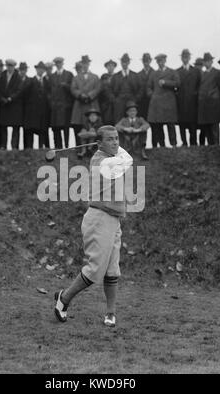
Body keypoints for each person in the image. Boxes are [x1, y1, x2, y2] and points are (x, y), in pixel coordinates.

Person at [54, 125, 133, 328]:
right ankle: (64, 298)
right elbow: (128, 159)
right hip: (99, 218)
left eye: (117, 138)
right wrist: (111, 147)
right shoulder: (103, 161)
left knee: (112, 269)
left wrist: (108, 141)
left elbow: (123, 154)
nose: (115, 142)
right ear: (99, 143)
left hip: (113, 219)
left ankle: (110, 313)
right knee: (95, 269)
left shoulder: (111, 155)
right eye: (110, 139)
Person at [147, 54, 180, 148]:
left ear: (165, 61)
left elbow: (178, 83)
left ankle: (174, 145)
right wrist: (152, 95)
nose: (160, 63)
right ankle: (162, 146)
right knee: (159, 124)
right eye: (158, 61)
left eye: (162, 61)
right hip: (157, 103)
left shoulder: (172, 72)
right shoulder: (153, 74)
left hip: (169, 102)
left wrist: (166, 82)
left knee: (171, 124)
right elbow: (148, 87)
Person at [71, 55, 101, 146]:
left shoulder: (95, 77)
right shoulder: (76, 77)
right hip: (80, 104)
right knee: (79, 126)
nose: (85, 65)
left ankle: (93, 148)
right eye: (83, 63)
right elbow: (73, 88)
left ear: (89, 64)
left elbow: (98, 88)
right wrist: (81, 95)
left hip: (91, 104)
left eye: (86, 63)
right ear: (81, 64)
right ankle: (79, 148)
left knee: (93, 125)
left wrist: (89, 96)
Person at [198, 53, 220, 146]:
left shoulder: (217, 73)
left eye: (208, 61)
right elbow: (201, 88)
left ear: (212, 61)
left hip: (214, 104)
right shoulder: (203, 74)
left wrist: (214, 94)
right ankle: (211, 147)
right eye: (205, 61)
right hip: (204, 104)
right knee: (207, 127)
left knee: (214, 127)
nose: (207, 63)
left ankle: (217, 145)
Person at [176, 49, 201, 146]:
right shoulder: (177, 71)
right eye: (183, 56)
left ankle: (193, 143)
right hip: (181, 102)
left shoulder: (196, 71)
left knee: (193, 124)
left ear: (190, 57)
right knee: (182, 124)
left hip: (193, 102)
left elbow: (200, 85)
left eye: (187, 56)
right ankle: (184, 143)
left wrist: (195, 94)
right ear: (181, 58)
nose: (185, 58)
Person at [23, 61, 50, 149]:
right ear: (36, 70)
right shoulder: (30, 81)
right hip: (32, 112)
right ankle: (30, 149)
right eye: (39, 69)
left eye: (42, 69)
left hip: (43, 111)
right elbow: (24, 94)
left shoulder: (46, 82)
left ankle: (41, 147)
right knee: (31, 130)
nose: (41, 71)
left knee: (42, 130)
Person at [0, 59, 23, 149]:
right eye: (8, 66)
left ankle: (14, 146)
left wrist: (10, 98)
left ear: (14, 67)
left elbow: (19, 91)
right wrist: (2, 98)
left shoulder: (18, 77)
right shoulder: (2, 76)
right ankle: (3, 146)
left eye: (11, 66)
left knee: (15, 127)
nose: (9, 68)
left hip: (14, 105)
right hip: (4, 104)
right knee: (3, 127)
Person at [50, 57, 74, 149]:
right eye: (56, 63)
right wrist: (51, 103)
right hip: (55, 107)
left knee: (66, 127)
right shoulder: (52, 76)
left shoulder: (69, 74)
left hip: (65, 107)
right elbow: (49, 91)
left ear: (62, 63)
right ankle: (58, 147)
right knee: (56, 128)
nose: (58, 64)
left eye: (59, 63)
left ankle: (67, 146)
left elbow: (72, 88)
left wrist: (66, 86)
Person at [110, 53, 139, 124]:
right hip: (119, 102)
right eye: (123, 62)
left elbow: (140, 89)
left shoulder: (135, 75)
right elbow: (110, 90)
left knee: (132, 121)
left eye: (126, 62)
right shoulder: (115, 76)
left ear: (129, 62)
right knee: (118, 121)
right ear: (121, 63)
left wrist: (136, 99)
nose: (124, 64)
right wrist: (115, 100)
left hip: (131, 101)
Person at [18, 62, 32, 149]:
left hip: (27, 108)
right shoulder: (16, 79)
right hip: (17, 107)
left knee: (26, 128)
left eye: (24, 69)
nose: (23, 71)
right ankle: (16, 146)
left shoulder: (30, 80)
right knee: (16, 127)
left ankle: (26, 147)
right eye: (21, 69)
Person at [99, 60, 117, 125]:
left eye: (112, 66)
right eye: (109, 66)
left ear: (114, 67)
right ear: (106, 67)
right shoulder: (103, 77)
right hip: (105, 105)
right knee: (106, 122)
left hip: (116, 104)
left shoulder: (118, 76)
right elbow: (101, 89)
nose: (110, 67)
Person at [137, 53, 154, 119]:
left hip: (152, 101)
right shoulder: (138, 74)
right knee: (142, 121)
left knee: (154, 123)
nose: (146, 62)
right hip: (141, 102)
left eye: (147, 60)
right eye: (144, 60)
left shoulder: (155, 73)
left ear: (150, 61)